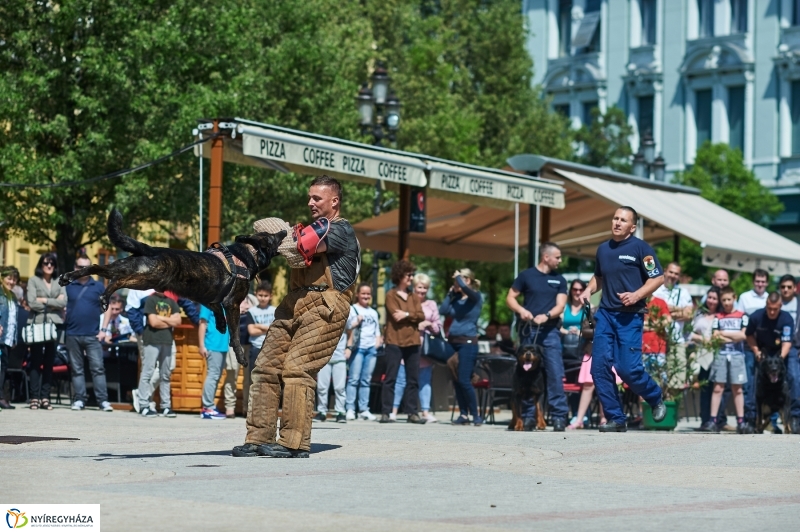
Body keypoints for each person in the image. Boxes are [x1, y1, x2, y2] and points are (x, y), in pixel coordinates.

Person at [234, 175, 360, 459]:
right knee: (265, 367)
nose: (310, 202)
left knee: (296, 369)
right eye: (309, 197)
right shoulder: (314, 226)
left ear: (334, 201)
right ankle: (258, 437)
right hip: (294, 300)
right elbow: (273, 236)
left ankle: (293, 442)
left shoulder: (340, 230)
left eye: (317, 198)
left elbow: (300, 246)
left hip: (326, 303)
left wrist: (281, 234)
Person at [578, 206, 667, 432]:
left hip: (630, 316)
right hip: (606, 314)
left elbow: (657, 278)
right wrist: (589, 290)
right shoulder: (603, 249)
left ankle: (655, 396)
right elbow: (599, 277)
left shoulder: (641, 248)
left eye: (623, 220)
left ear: (632, 227)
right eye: (615, 218)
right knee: (599, 368)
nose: (617, 222)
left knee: (627, 369)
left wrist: (637, 294)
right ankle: (616, 419)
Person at [506, 242, 568, 431]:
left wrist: (547, 315)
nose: (560, 260)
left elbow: (561, 306)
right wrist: (521, 310)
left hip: (550, 332)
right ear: (546, 257)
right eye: (557, 257)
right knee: (525, 374)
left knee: (555, 374)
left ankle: (558, 416)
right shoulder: (526, 276)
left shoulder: (560, 280)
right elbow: (510, 298)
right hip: (529, 331)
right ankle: (527, 418)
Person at [391, 272, 442, 423]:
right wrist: (415, 323)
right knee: (401, 380)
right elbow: (397, 321)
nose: (422, 291)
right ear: (414, 287)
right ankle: (393, 411)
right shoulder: (407, 301)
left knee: (424, 381)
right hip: (407, 345)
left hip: (426, 350)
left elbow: (438, 326)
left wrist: (429, 325)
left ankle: (425, 412)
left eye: (425, 288)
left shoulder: (431, 304)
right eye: (419, 287)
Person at [65, 254, 113, 412]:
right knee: (77, 369)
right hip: (72, 333)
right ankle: (79, 399)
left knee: (98, 368)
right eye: (80, 267)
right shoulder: (68, 285)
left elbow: (108, 308)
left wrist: (104, 330)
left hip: (93, 335)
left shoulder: (98, 286)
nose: (83, 270)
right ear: (75, 268)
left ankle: (103, 401)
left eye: (86, 267)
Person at [745, 291, 797, 433]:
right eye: (769, 308)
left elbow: (787, 342)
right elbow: (749, 335)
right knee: (753, 380)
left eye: (775, 309)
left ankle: (794, 418)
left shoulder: (786, 318)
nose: (772, 312)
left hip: (782, 351)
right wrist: (756, 351)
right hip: (763, 349)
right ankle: (753, 419)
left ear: (780, 306)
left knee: (793, 376)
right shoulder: (757, 316)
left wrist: (779, 360)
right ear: (766, 305)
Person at [381, 260, 425, 424]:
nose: (411, 277)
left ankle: (412, 412)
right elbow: (395, 316)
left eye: (412, 274)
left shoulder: (414, 296)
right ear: (400, 276)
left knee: (413, 379)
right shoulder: (390, 295)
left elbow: (421, 316)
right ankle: (386, 412)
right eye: (409, 275)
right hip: (395, 341)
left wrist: (406, 314)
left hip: (413, 341)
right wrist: (411, 315)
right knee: (390, 378)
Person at [442, 268, 484, 426]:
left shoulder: (475, 297)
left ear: (469, 280)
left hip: (468, 343)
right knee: (456, 380)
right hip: (452, 342)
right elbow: (443, 310)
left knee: (465, 380)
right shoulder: (456, 299)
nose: (458, 282)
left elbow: (466, 289)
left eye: (462, 279)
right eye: (457, 280)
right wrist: (450, 294)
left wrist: (459, 278)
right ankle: (463, 415)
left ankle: (476, 415)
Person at [27, 252, 67, 411]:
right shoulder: (33, 280)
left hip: (55, 325)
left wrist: (43, 300)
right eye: (45, 263)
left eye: (52, 263)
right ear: (40, 265)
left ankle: (45, 397)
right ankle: (34, 397)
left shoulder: (60, 281)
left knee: (50, 361)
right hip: (37, 323)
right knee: (36, 361)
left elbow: (64, 301)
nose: (49, 266)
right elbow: (31, 302)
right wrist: (53, 303)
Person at [708, 286, 750, 433]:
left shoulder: (742, 316)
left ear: (734, 298)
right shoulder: (718, 317)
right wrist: (733, 335)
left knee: (737, 388)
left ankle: (741, 421)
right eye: (723, 300)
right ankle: (713, 420)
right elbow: (715, 336)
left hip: (737, 356)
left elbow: (743, 336)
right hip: (721, 355)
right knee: (718, 387)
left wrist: (724, 333)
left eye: (729, 299)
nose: (726, 303)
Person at [136, 291, 181, 417]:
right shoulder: (151, 300)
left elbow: (178, 321)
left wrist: (160, 317)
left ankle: (165, 406)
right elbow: (153, 322)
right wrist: (169, 320)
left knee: (165, 374)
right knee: (147, 372)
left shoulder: (171, 301)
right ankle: (143, 405)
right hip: (152, 340)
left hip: (167, 340)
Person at [735, 268, 769, 431]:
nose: (760, 284)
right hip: (748, 347)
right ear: (753, 282)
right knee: (748, 384)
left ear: (767, 283)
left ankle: (769, 421)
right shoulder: (744, 298)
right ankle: (749, 419)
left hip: (766, 348)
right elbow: (740, 320)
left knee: (767, 384)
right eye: (757, 281)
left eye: (763, 282)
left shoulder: (770, 299)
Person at [345, 283, 382, 421]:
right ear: (358, 295)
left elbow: (377, 330)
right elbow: (347, 327)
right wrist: (356, 321)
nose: (366, 296)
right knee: (354, 379)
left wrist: (377, 342)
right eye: (363, 293)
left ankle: (364, 409)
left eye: (368, 294)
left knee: (366, 380)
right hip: (358, 348)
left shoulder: (373, 312)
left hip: (371, 348)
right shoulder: (352, 309)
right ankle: (350, 408)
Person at [691, 286, 721, 431]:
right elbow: (690, 334)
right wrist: (704, 339)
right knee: (704, 387)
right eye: (709, 297)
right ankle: (704, 420)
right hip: (702, 354)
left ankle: (717, 420)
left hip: (718, 354)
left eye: (715, 298)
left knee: (718, 388)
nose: (711, 301)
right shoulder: (699, 314)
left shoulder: (722, 314)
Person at [653, 262, 694, 363]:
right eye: (671, 272)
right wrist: (680, 310)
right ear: (665, 271)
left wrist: (668, 310)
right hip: (656, 340)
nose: (673, 275)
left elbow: (689, 315)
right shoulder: (655, 290)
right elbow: (651, 314)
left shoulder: (683, 292)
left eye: (676, 273)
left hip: (677, 340)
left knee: (677, 377)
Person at [198, 304, 233, 420]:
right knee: (213, 375)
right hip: (213, 345)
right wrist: (202, 345)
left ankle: (209, 406)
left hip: (222, 346)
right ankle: (207, 408)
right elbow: (202, 324)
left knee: (216, 376)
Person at [779, 275, 800, 433]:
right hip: (775, 348)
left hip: (794, 347)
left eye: (789, 286)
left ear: (794, 288)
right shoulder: (775, 302)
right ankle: (771, 419)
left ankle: (795, 417)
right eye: (783, 287)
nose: (785, 289)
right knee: (771, 382)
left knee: (794, 379)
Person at [314, 332, 348, 423]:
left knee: (340, 387)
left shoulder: (345, 317)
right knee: (321, 387)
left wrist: (349, 347)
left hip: (340, 357)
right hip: (323, 356)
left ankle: (341, 412)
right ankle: (322, 412)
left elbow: (350, 331)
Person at [642, 295, 671, 392]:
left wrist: (646, 325)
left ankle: (659, 405)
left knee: (661, 380)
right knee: (643, 382)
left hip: (658, 347)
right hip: (642, 348)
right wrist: (657, 325)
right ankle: (643, 407)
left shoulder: (660, 302)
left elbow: (667, 321)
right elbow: (637, 325)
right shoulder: (637, 303)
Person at [0, 266, 19, 409]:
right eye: (9, 278)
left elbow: (14, 319)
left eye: (14, 279)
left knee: (3, 368)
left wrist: (14, 338)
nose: (11, 282)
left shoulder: (13, 297)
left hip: (8, 337)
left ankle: (2, 397)